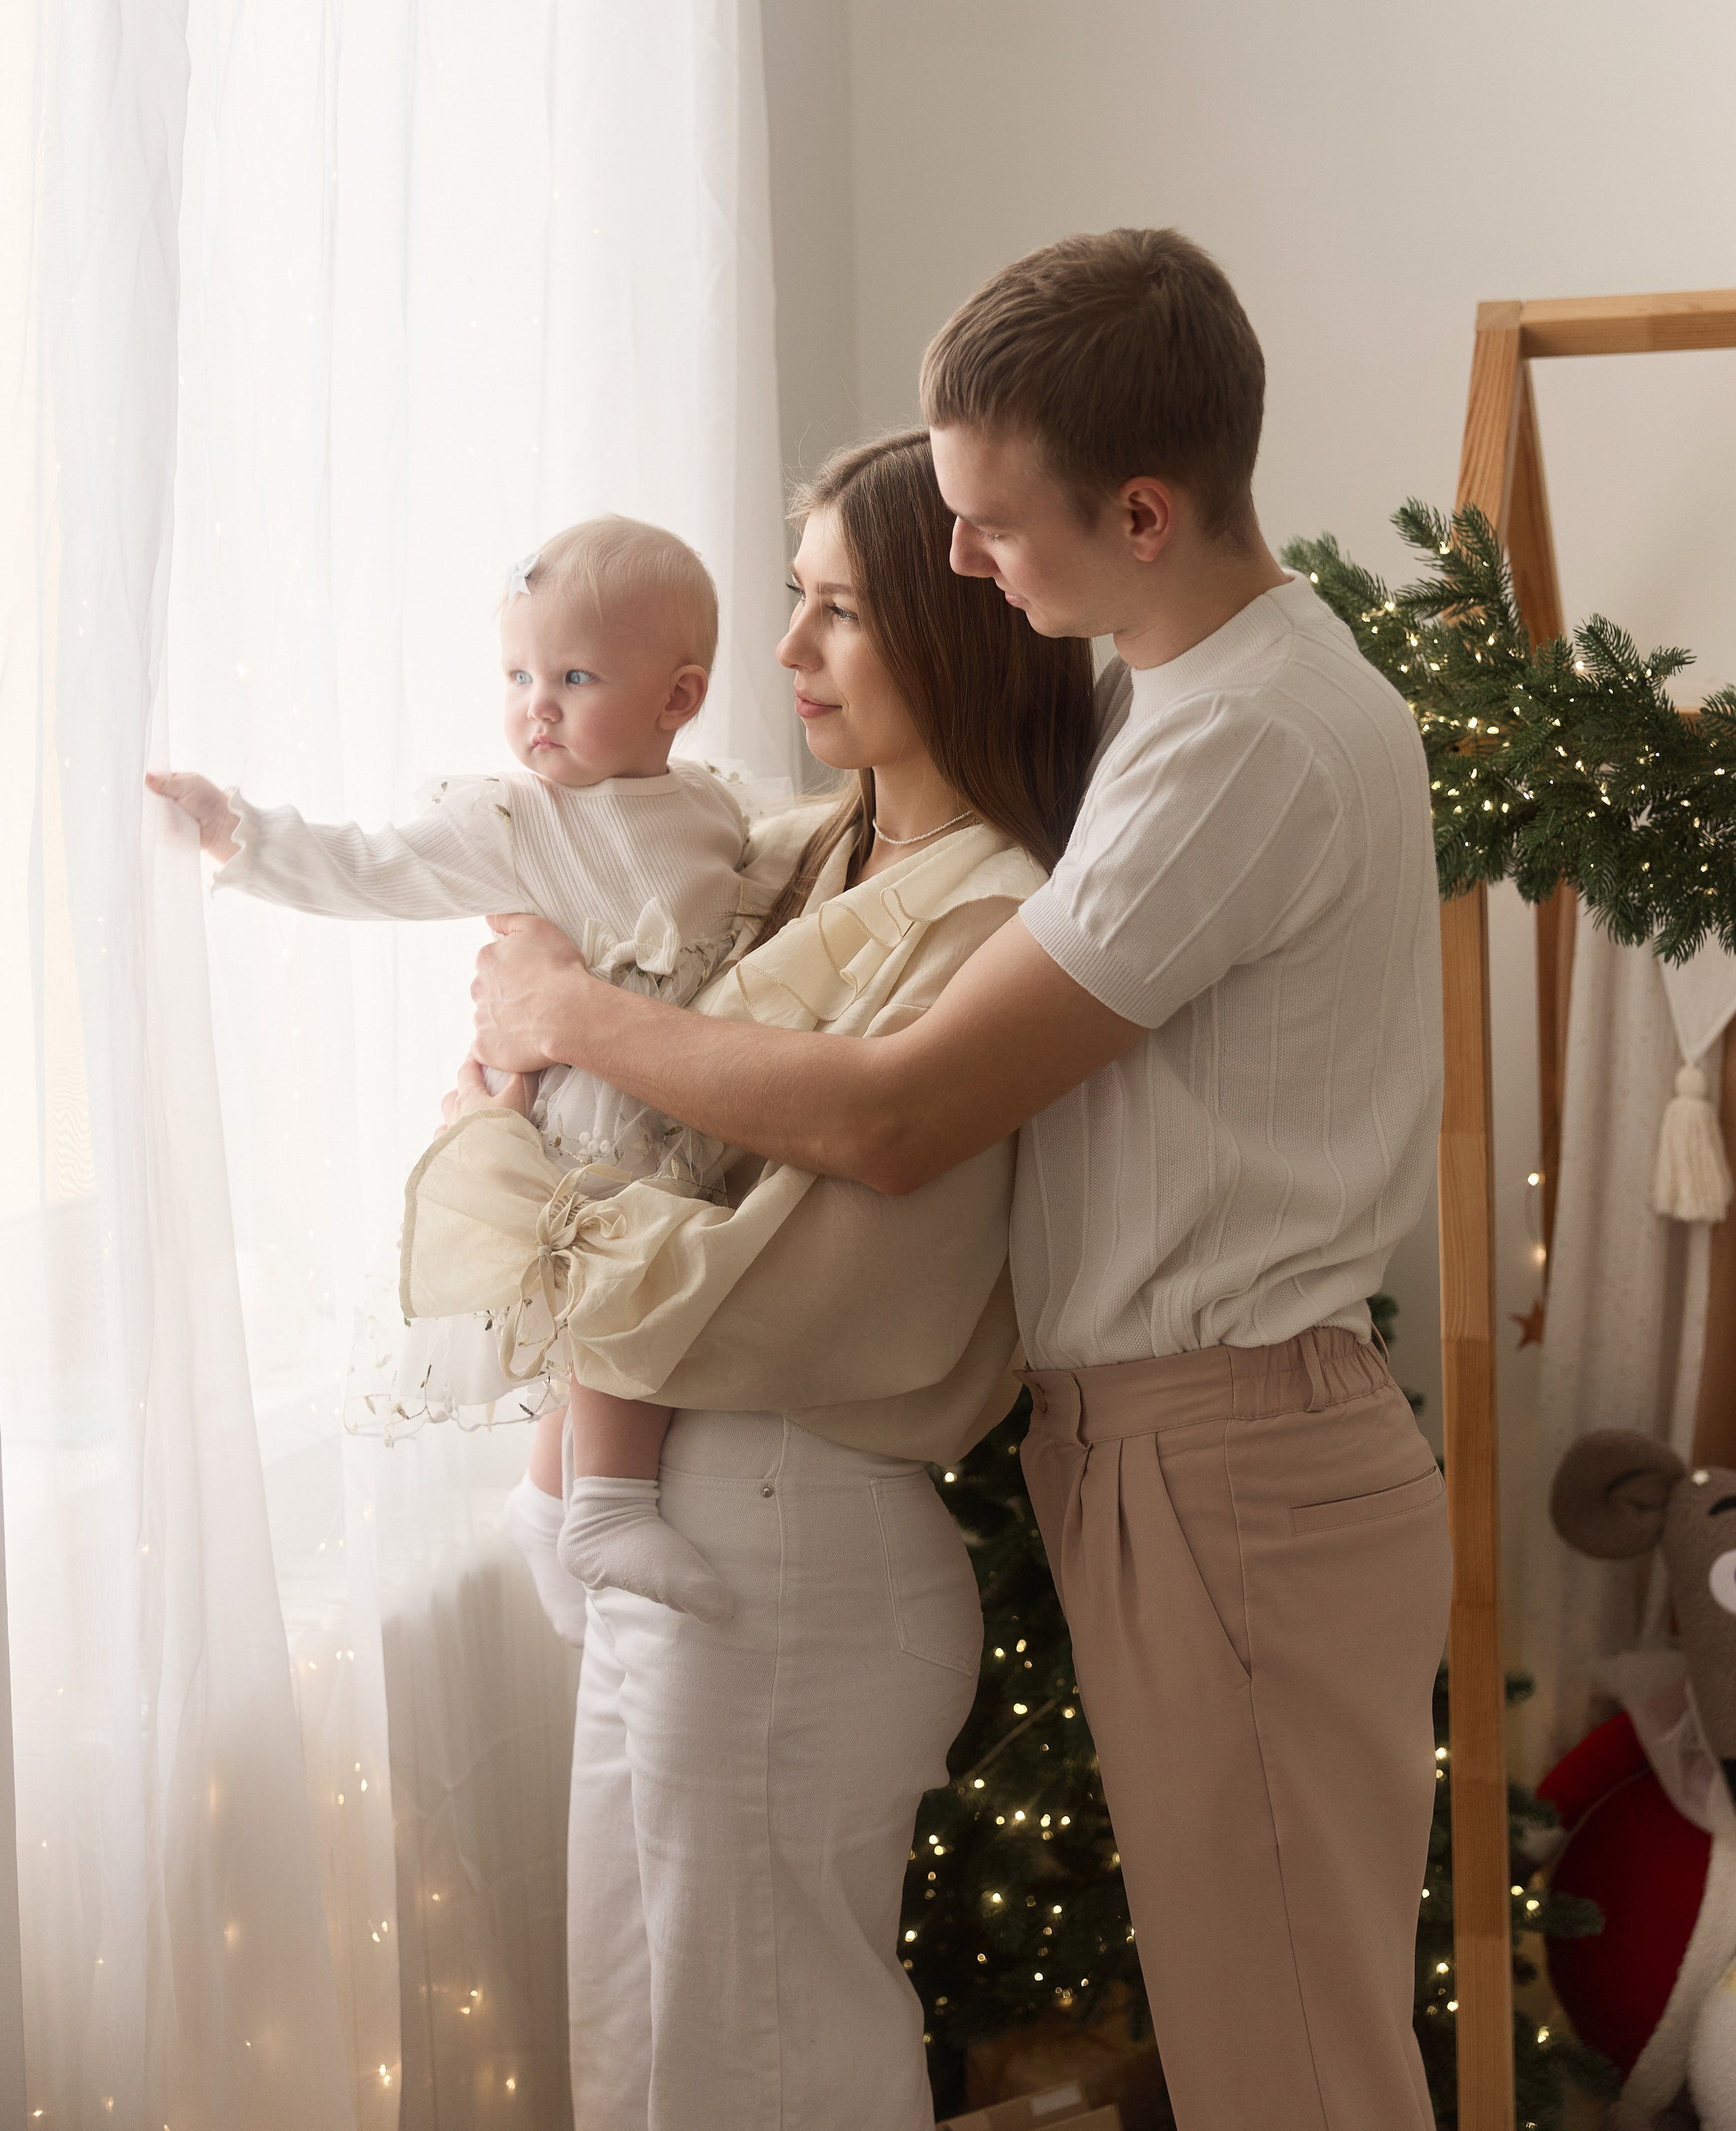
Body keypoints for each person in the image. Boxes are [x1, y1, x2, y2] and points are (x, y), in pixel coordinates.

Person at [469, 230, 1453, 2131]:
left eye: (992, 525)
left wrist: (572, 1016)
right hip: (1178, 1446)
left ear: (1145, 513)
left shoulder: (1235, 740)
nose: (967, 563)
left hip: (1225, 1445)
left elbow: (900, 1112)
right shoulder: (1197, 700)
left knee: (1294, 2069)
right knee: (1275, 2041)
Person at [414, 428, 1094, 2130]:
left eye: (836, 614)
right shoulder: (780, 855)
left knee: (754, 2059)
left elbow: (727, 1227)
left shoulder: (993, 914)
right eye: (793, 603)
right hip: (678, 1531)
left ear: (959, 629)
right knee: (645, 2040)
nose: (783, 655)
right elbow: (559, 1111)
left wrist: (560, 1037)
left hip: (793, 1536)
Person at [147, 513, 756, 1624]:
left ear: (677, 698)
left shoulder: (716, 803)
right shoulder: (515, 820)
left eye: (575, 676)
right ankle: (605, 1511)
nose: (537, 705)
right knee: (619, 1294)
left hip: (687, 1098)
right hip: (590, 1124)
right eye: (519, 674)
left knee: (652, 1301)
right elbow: (373, 865)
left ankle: (543, 1502)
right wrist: (242, 830)